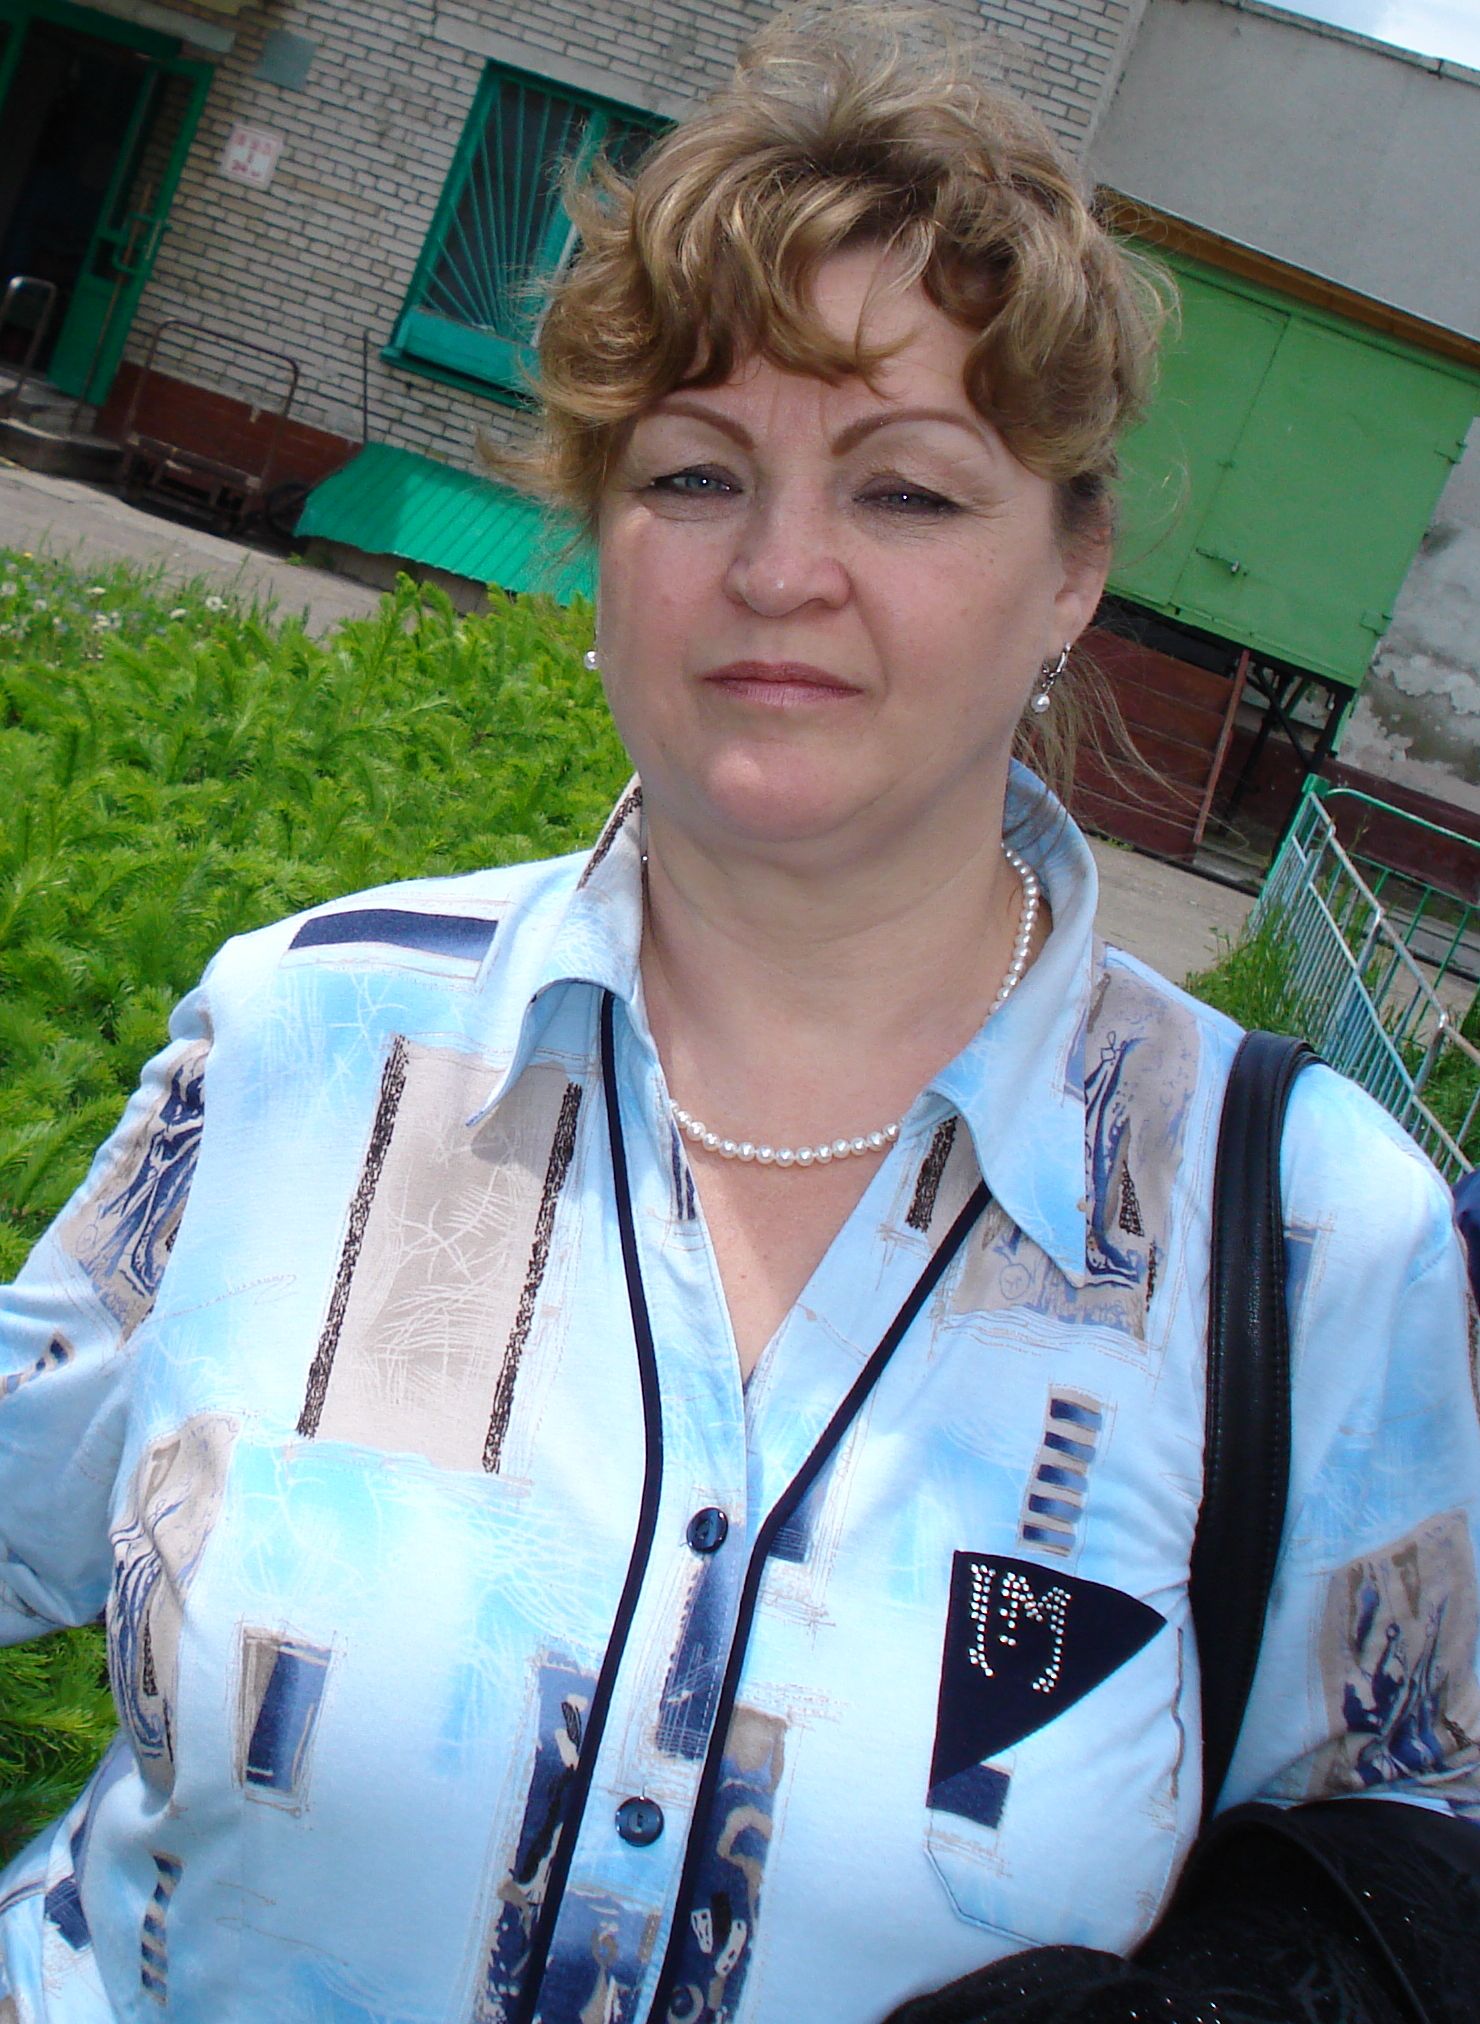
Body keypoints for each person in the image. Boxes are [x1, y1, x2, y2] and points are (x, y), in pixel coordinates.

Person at [3, 9, 1479, 2021]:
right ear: (603, 537)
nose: (781, 570)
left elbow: (1409, 1846)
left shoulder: (1304, 1237)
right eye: (696, 473)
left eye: (908, 494)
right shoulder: (307, 1040)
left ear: (1073, 569)